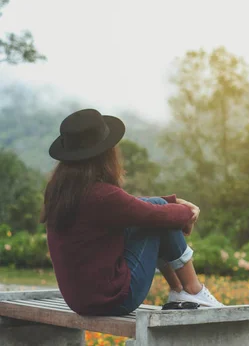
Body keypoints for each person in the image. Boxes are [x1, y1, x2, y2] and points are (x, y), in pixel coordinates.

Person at [41, 108, 224, 316]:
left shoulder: (61, 190)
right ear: (105, 153)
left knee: (155, 211)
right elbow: (152, 214)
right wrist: (188, 212)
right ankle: (193, 289)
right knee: (156, 218)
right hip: (113, 299)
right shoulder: (101, 195)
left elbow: (133, 206)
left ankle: (180, 291)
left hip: (80, 300)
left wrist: (172, 203)